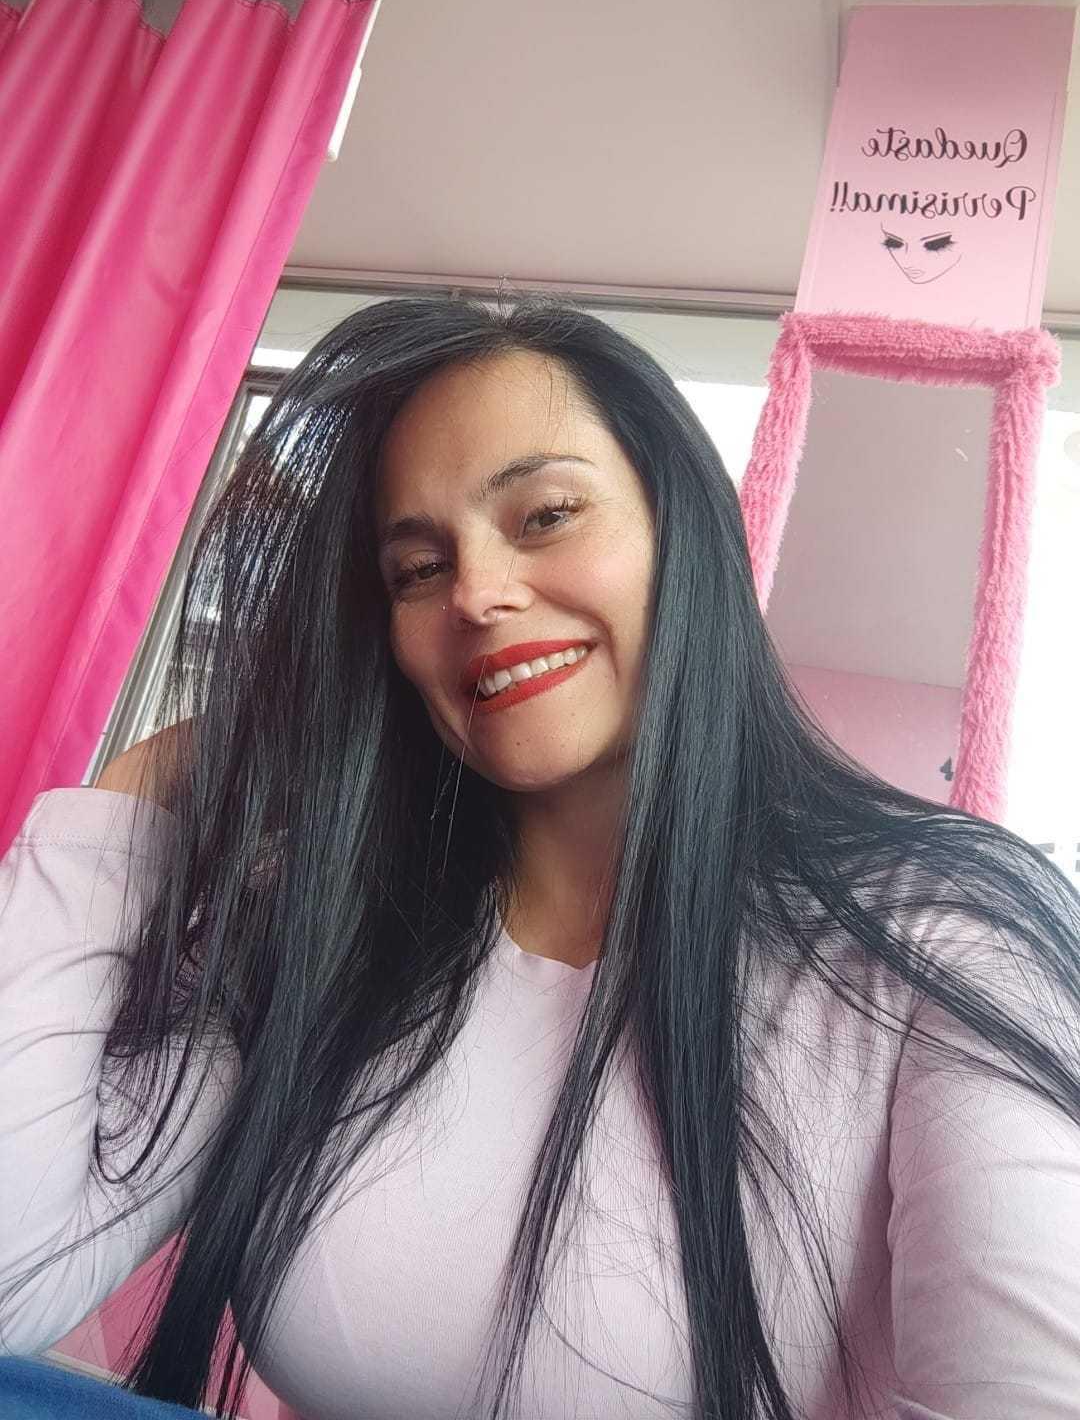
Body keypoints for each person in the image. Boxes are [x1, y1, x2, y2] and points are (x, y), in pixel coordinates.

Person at [1, 291, 1078, 1420]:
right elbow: (15, 1276)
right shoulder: (319, 932)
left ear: (687, 532)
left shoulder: (947, 935)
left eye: (547, 514)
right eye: (416, 570)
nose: (476, 593)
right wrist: (159, 779)